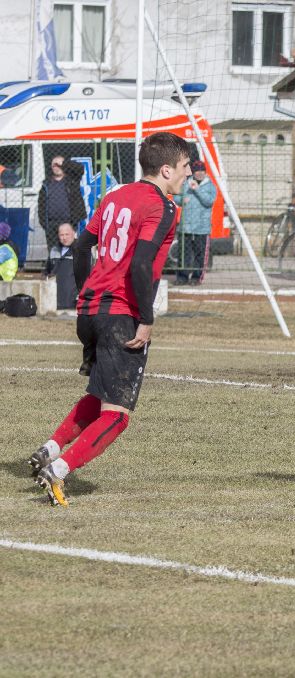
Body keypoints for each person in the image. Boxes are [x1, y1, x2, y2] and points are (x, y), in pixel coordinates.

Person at [29, 132, 190, 506]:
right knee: (117, 415)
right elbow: (140, 264)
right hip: (121, 314)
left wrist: (87, 294)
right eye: (185, 167)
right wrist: (146, 318)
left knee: (99, 393)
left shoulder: (115, 196)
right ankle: (59, 470)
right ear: (166, 170)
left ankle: (51, 448)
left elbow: (82, 247)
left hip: (90, 311)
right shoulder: (163, 207)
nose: (188, 174)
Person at [173, 159, 217, 285]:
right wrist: (182, 200)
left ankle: (196, 278)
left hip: (201, 228)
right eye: (197, 171)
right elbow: (176, 197)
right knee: (183, 254)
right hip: (186, 226)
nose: (199, 173)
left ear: (205, 171)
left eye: (202, 171)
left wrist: (197, 189)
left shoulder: (210, 186)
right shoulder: (186, 183)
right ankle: (182, 277)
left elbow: (209, 201)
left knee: (200, 254)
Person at [37, 155, 87, 251]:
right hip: (52, 225)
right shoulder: (46, 184)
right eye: (54, 165)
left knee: (72, 250)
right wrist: (44, 223)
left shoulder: (72, 180)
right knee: (54, 252)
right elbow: (41, 205)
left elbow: (80, 169)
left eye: (59, 165)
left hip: (69, 222)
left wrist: (63, 163)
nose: (57, 167)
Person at [43, 222, 82, 309]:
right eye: (61, 235)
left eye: (67, 234)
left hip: (72, 303)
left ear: (73, 233)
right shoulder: (54, 250)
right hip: (53, 302)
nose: (64, 238)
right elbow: (47, 271)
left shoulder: (81, 251)